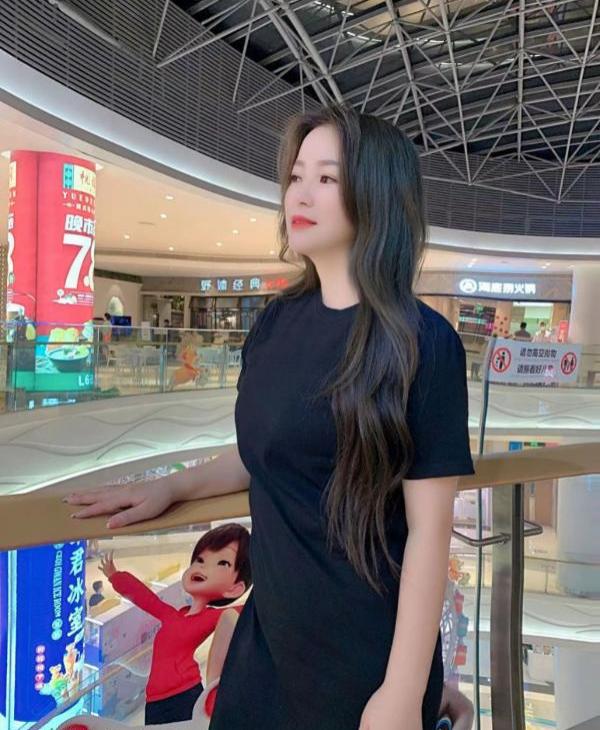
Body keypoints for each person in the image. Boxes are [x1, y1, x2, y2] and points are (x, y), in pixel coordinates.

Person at [66, 105, 474, 730]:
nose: (299, 194)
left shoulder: (424, 343)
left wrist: (401, 690)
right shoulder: (276, 323)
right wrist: (171, 486)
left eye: (327, 178)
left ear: (376, 194)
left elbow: (428, 533)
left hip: (365, 656)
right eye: (295, 175)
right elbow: (267, 450)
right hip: (268, 641)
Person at [98, 524, 251, 724]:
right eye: (200, 560)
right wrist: (116, 577)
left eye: (222, 563)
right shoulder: (172, 615)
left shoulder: (212, 616)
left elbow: (249, 609)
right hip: (154, 700)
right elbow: (146, 599)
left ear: (235, 589)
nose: (202, 567)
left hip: (185, 695)